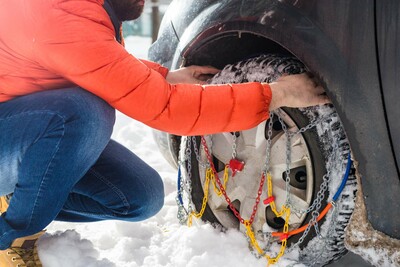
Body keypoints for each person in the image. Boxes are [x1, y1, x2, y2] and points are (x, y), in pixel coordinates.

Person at [0, 0, 329, 265]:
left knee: (138, 197)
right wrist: (277, 95)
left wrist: (164, 78)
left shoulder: (77, 10)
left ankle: (15, 197)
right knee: (85, 114)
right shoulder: (58, 12)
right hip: (14, 128)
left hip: (22, 129)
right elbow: (166, 109)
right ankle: (10, 238)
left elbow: (92, 60)